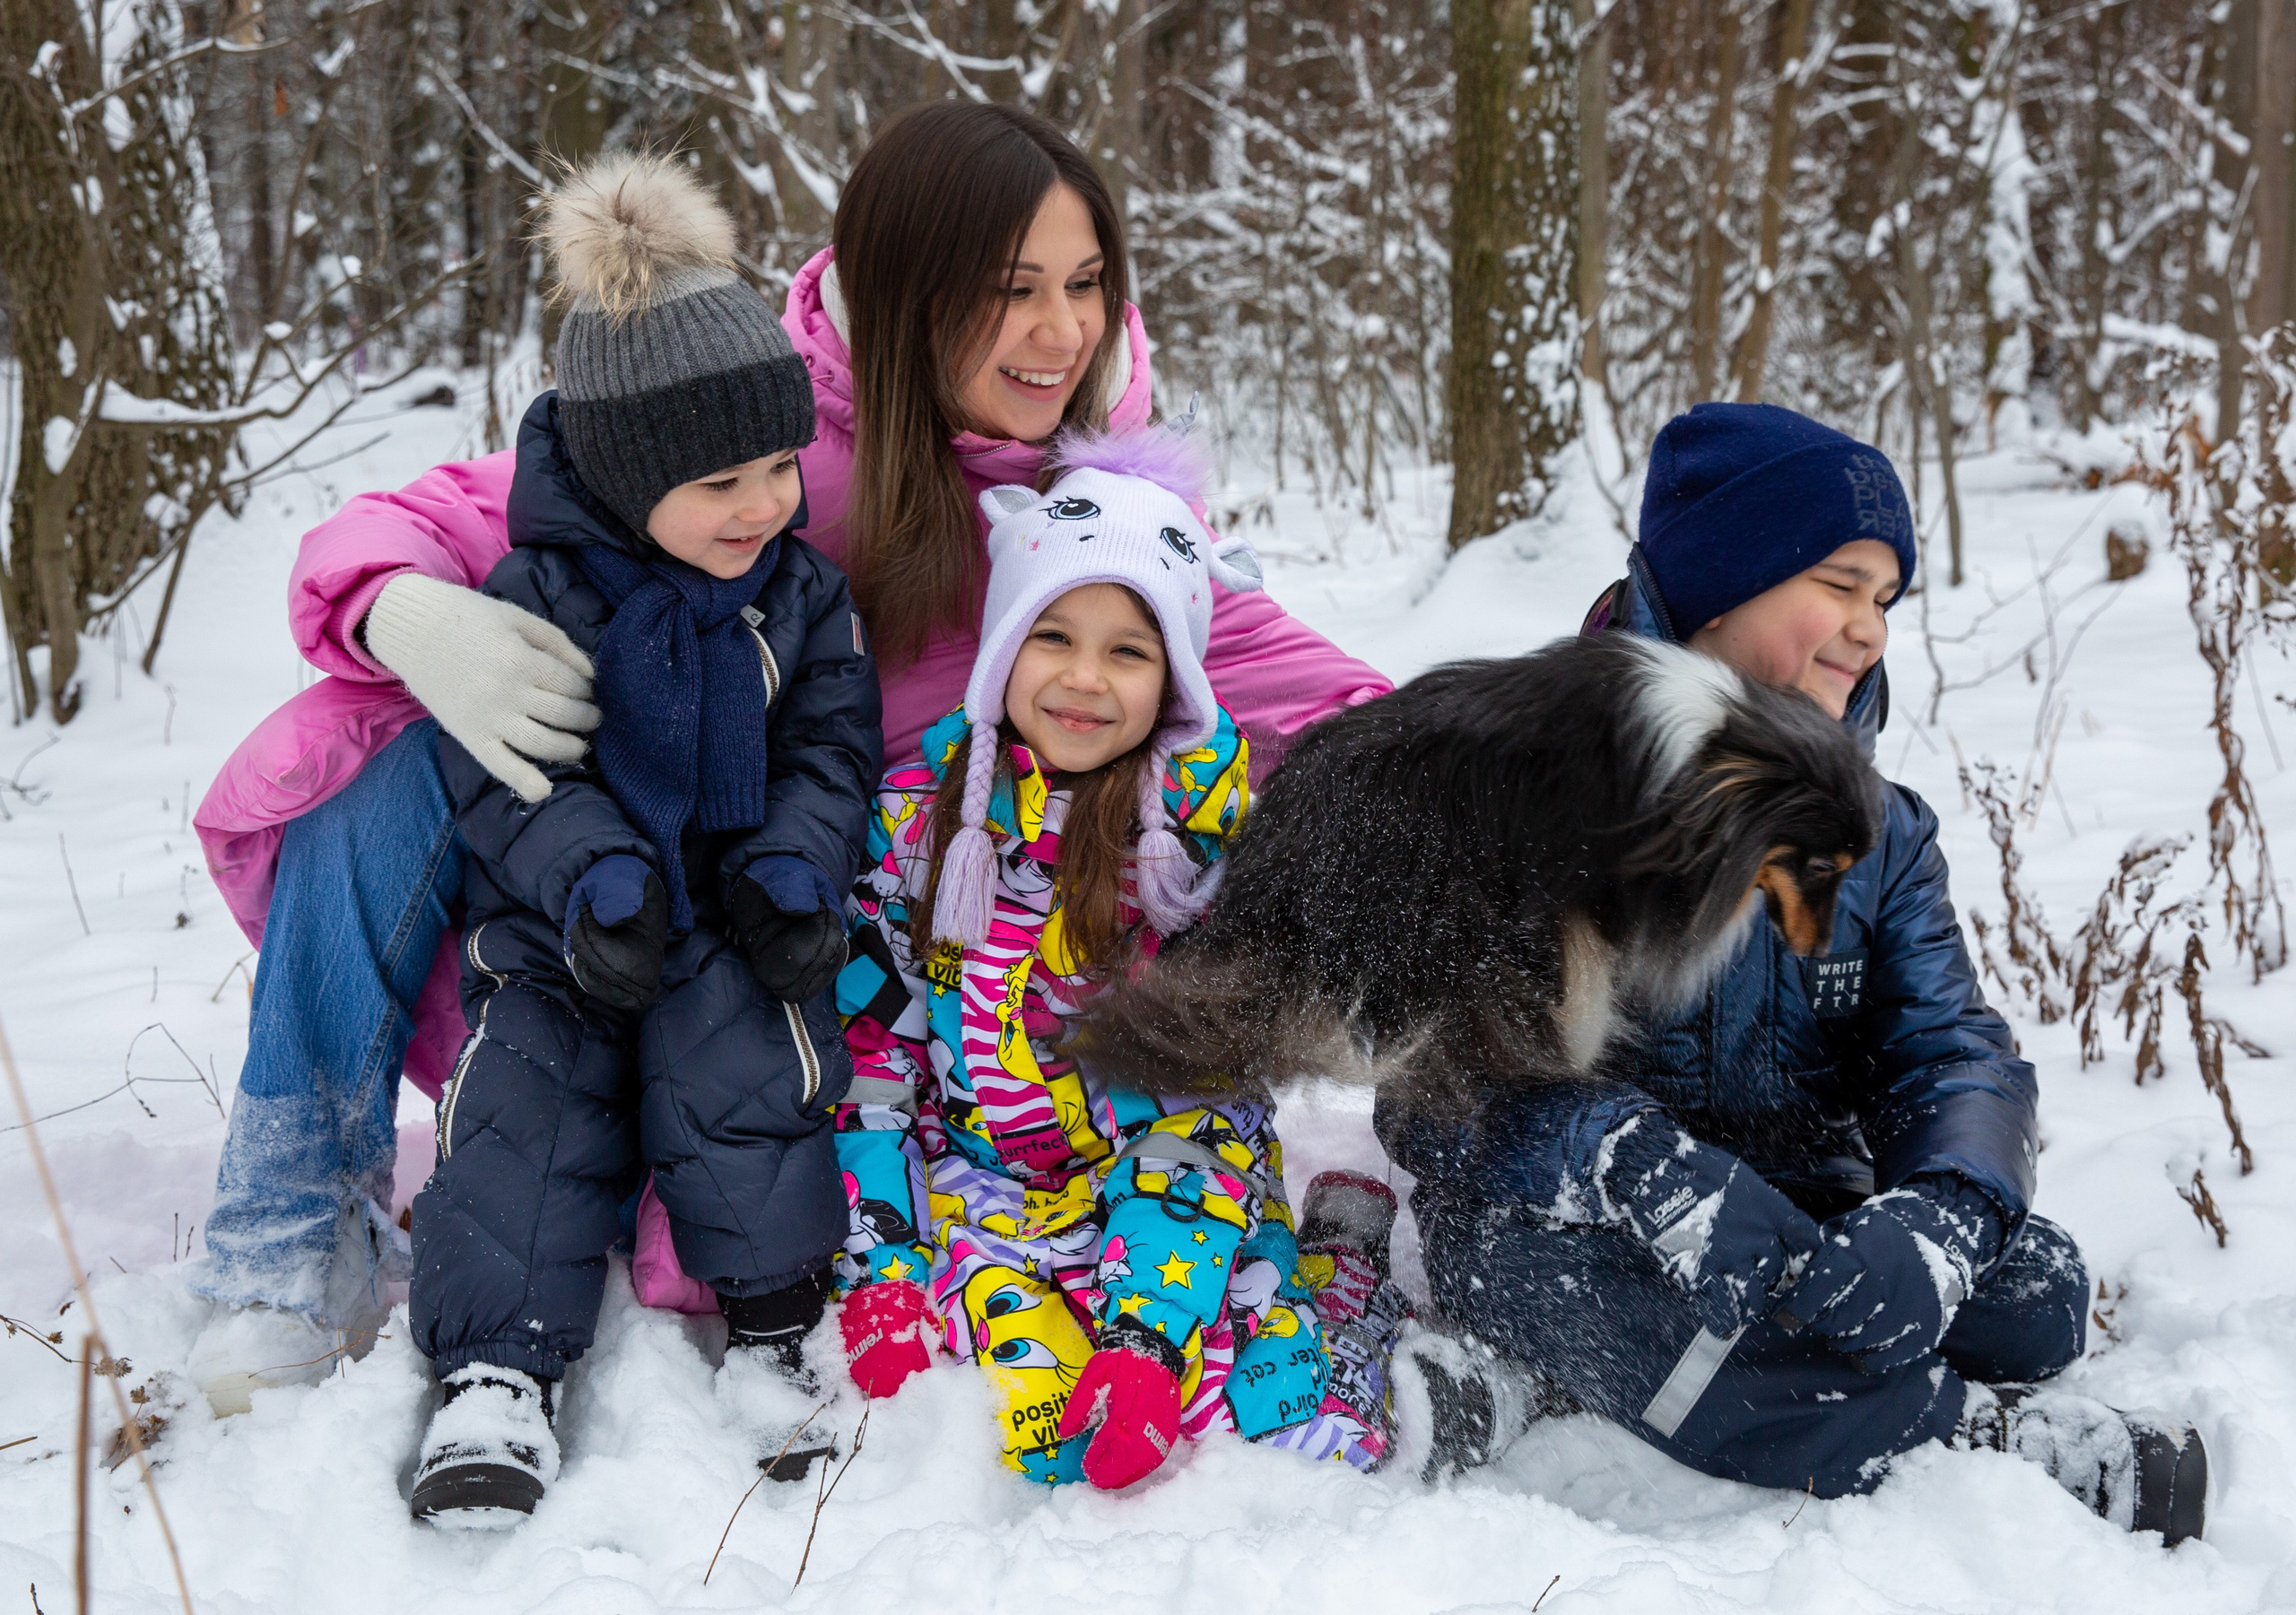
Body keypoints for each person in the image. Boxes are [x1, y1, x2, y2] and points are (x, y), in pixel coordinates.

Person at [186, 102, 1388, 1400]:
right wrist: (406, 612)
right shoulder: (761, 441)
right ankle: (293, 1225)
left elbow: (1331, 700)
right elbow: (428, 516)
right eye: (1013, 291)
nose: (1064, 332)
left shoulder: (1105, 511)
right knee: (361, 752)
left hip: (840, 972)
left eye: (1088, 284)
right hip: (614, 904)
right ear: (907, 290)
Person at [1380, 404, 2207, 1543]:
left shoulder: (1883, 835)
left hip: (1796, 1209)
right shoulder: (1528, 789)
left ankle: (1638, 1377)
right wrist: (1634, 1165)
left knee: (2037, 1290)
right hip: (1577, 1220)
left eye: (1885, 598)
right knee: (1551, 1284)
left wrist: (1944, 1214)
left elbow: (1950, 1050)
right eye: (1840, 582)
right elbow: (1435, 1084)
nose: (1868, 627)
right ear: (1722, 584)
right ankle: (1954, 1438)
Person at [399, 153, 880, 1525]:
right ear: (619, 480)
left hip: (729, 906)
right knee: (526, 1102)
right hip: (567, 925)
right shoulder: (535, 594)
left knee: (751, 1063)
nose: (763, 503)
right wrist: (595, 875)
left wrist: (795, 865)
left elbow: (831, 748)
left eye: (781, 463)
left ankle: (780, 1325)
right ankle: (494, 1375)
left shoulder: (801, 598)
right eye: (720, 477)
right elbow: (505, 772)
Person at [827, 428, 1408, 1488]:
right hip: (985, 1183)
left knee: (1290, 1424)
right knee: (1031, 1422)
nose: (1084, 680)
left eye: (1129, 650)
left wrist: (1150, 1333)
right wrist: (887, 1264)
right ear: (1003, 646)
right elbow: (873, 1065)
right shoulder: (919, 828)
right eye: (1052, 637)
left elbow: (1211, 1102)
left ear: (1174, 677)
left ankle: (1343, 1277)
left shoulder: (1204, 847)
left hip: (1171, 1175)